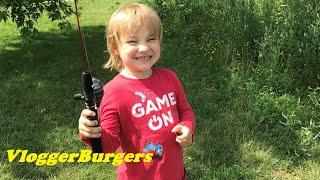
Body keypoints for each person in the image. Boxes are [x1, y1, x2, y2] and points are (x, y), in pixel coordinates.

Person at [78, 3, 196, 180]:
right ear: (115, 48)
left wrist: (188, 128)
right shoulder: (113, 91)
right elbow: (107, 147)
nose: (144, 48)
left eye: (151, 39)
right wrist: (91, 132)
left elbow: (185, 111)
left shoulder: (170, 78)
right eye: (133, 41)